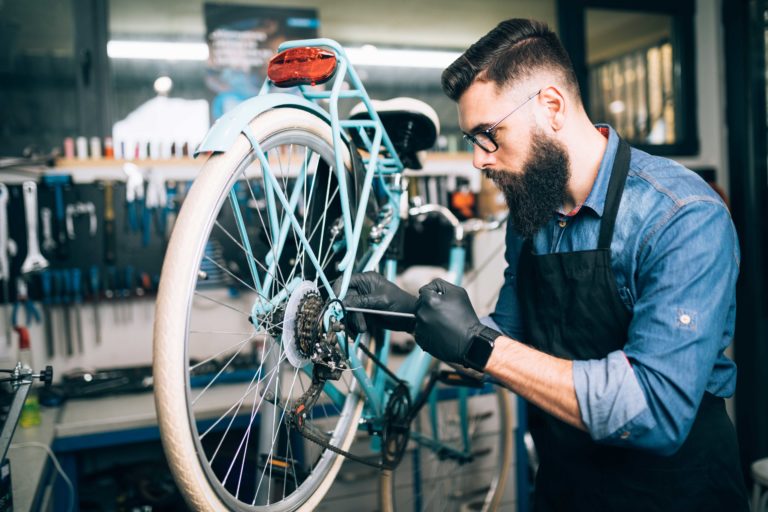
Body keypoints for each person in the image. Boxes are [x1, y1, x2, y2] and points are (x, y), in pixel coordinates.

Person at [343, 18, 749, 511]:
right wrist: (414, 316)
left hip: (675, 492)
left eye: (487, 134)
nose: (478, 160)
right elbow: (510, 341)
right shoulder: (531, 215)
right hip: (566, 486)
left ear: (551, 107)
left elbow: (654, 408)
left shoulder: (682, 215)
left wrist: (478, 342)